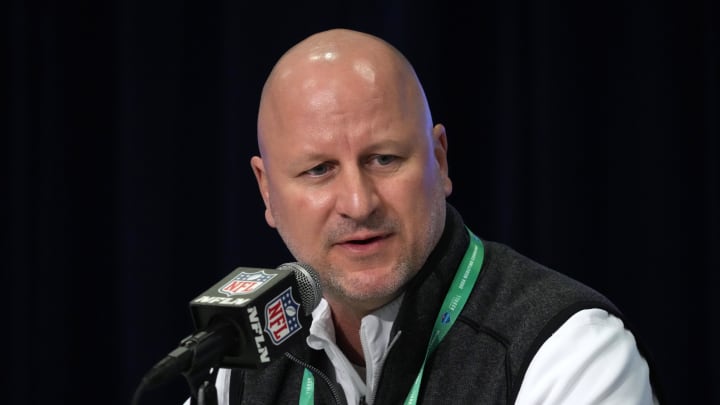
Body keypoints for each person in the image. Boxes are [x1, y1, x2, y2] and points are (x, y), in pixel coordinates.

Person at [207, 28, 660, 404]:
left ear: (439, 162)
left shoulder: (572, 352)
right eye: (319, 170)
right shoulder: (238, 363)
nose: (359, 203)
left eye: (384, 159)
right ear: (267, 191)